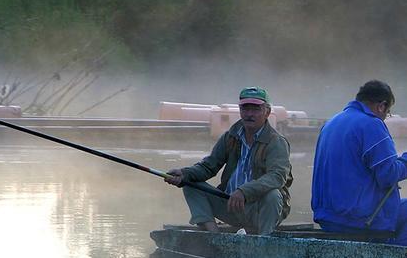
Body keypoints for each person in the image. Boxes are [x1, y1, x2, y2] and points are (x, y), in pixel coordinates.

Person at [165, 86, 293, 234]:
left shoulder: (276, 142)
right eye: (245, 108)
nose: (249, 114)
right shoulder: (230, 136)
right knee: (189, 184)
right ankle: (214, 234)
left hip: (259, 210)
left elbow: (277, 177)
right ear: (240, 110)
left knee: (273, 195)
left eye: (256, 109)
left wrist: (244, 191)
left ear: (267, 112)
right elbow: (208, 167)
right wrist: (184, 173)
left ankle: (263, 241)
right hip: (231, 206)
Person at [311, 80, 407, 245]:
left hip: (328, 218)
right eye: (388, 112)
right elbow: (388, 175)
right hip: (358, 220)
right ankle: (388, 251)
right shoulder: (372, 124)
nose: (385, 117)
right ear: (381, 106)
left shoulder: (331, 123)